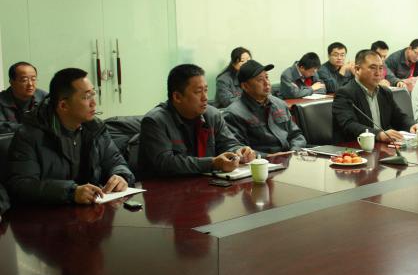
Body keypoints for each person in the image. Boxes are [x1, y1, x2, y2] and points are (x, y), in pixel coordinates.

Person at [6, 68, 134, 205]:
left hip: (91, 210)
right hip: (48, 214)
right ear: (63, 105)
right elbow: (22, 185)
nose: (93, 103)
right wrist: (70, 192)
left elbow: (116, 162)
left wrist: (121, 176)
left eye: (93, 94)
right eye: (86, 97)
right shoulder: (29, 135)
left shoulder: (95, 128)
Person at [139, 64, 255, 177]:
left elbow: (228, 143)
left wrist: (239, 151)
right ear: (177, 97)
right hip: (166, 187)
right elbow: (166, 163)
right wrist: (212, 163)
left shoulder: (212, 115)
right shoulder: (155, 121)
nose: (205, 97)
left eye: (206, 90)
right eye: (198, 92)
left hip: (206, 183)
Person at [223, 60, 307, 156]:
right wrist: (268, 157)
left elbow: (296, 135)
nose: (266, 83)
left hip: (290, 156)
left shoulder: (279, 104)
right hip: (262, 162)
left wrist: (294, 151)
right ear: (245, 86)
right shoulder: (233, 114)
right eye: (260, 80)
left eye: (266, 77)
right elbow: (238, 149)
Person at [333, 49, 416, 143]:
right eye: (373, 68)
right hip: (355, 146)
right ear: (357, 69)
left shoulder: (385, 92)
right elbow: (349, 125)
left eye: (380, 68)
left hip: (382, 145)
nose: (378, 73)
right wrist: (378, 134)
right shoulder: (345, 93)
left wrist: (411, 125)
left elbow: (398, 117)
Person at [0, 61, 47, 133]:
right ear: (12, 82)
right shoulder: (2, 100)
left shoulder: (44, 98)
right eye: (24, 80)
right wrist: (27, 128)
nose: (30, 84)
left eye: (33, 79)